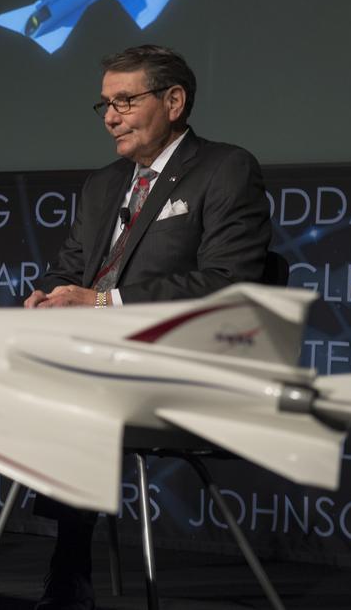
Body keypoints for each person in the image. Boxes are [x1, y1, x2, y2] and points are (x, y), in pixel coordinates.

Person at [23, 44, 270, 609]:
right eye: (105, 104)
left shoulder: (224, 168)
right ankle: (69, 561)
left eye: (125, 101)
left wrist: (104, 303)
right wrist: (48, 296)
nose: (110, 116)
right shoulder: (103, 183)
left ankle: (69, 569)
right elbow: (69, 267)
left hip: (184, 360)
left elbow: (229, 285)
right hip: (93, 356)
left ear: (175, 101)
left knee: (76, 389)